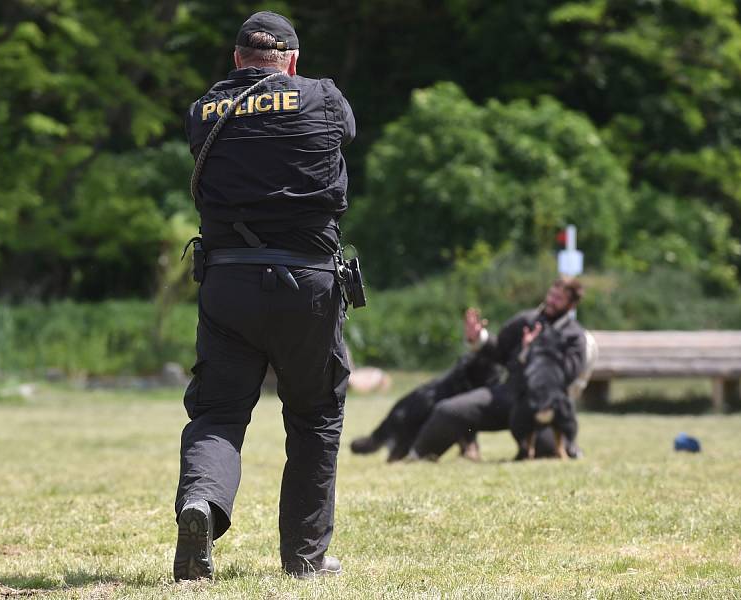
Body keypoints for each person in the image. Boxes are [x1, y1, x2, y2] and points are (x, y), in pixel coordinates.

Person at [173, 11, 355, 581]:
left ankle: (202, 504)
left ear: (236, 61)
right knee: (315, 416)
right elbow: (344, 133)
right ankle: (304, 559)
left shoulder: (206, 112)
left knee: (219, 412)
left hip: (229, 284)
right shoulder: (322, 98)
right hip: (309, 289)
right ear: (292, 62)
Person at [351, 278, 587, 461]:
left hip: (539, 402)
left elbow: (567, 374)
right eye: (552, 294)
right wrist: (479, 338)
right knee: (449, 410)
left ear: (571, 304)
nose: (552, 300)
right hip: (506, 394)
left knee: (549, 452)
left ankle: (561, 446)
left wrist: (534, 353)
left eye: (559, 298)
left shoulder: (574, 337)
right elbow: (499, 351)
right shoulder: (526, 320)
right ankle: (419, 456)